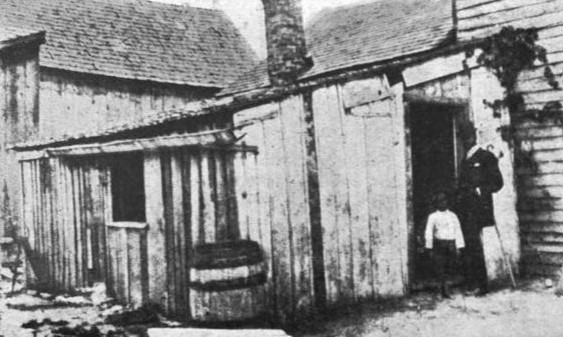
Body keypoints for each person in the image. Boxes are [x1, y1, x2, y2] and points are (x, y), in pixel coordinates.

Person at [456, 124, 503, 296]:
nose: (466, 139)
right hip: (465, 209)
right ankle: (471, 282)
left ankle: (482, 285)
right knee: (468, 245)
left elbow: (498, 183)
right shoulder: (465, 159)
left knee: (475, 246)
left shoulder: (486, 157)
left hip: (479, 208)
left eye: (469, 136)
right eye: (463, 136)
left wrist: (481, 190)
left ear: (474, 136)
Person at [424, 191, 465, 299]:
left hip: (450, 244)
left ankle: (447, 290)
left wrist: (459, 246)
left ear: (447, 202)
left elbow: (458, 230)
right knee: (439, 268)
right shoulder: (432, 216)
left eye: (444, 200)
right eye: (440, 201)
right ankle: (439, 291)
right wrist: (429, 247)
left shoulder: (453, 216)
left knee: (448, 268)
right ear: (436, 203)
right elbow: (428, 232)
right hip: (439, 244)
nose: (442, 203)